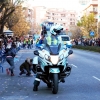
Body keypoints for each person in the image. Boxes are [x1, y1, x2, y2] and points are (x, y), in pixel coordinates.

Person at [33, 24, 64, 91]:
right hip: (48, 53)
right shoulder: (46, 38)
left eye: (58, 31)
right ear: (53, 31)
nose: (58, 32)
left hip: (55, 53)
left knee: (64, 59)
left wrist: (65, 49)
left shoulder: (59, 38)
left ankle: (62, 74)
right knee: (39, 68)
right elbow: (41, 44)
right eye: (57, 31)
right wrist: (40, 47)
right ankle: (35, 85)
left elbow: (61, 45)